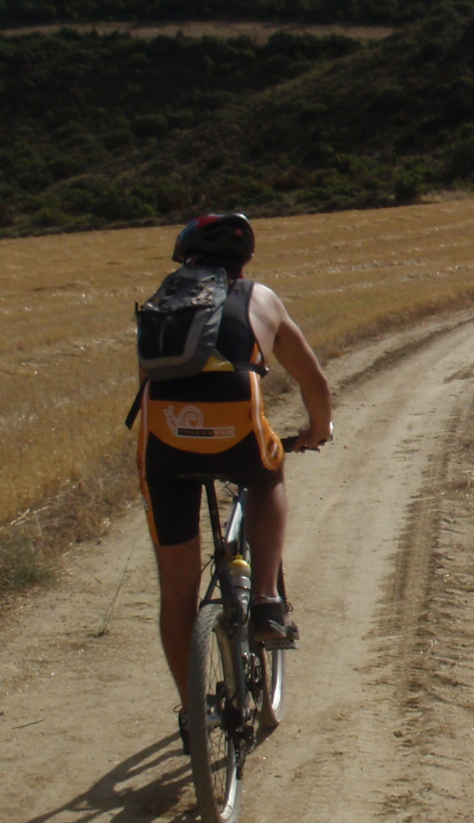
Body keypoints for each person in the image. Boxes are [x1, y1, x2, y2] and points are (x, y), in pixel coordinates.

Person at [136, 212, 332, 697]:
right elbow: (313, 379)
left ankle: (194, 711)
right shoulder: (260, 298)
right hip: (235, 431)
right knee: (268, 474)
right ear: (243, 261)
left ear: (187, 259)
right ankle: (265, 600)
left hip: (165, 442)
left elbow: (145, 383)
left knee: (176, 593)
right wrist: (317, 429)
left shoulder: (165, 304)